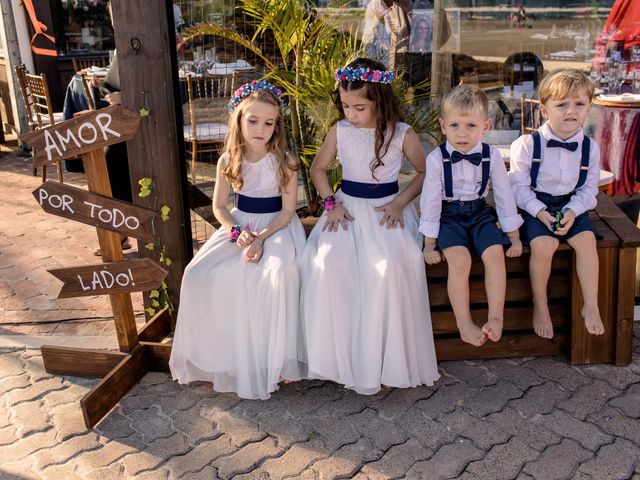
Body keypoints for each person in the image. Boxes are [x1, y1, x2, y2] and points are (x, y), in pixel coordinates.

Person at [300, 58, 440, 395]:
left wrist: (400, 202)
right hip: (346, 210)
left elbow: (424, 173)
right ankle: (337, 357)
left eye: (359, 107)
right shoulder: (340, 131)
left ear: (380, 99)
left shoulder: (401, 133)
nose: (351, 113)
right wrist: (329, 204)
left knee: (391, 267)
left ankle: (381, 358)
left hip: (385, 211)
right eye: (346, 106)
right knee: (327, 263)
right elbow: (318, 170)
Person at [169, 81, 306, 399]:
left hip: (277, 228)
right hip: (239, 225)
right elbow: (219, 206)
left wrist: (262, 238)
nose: (261, 129)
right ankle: (226, 355)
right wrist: (238, 232)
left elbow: (287, 212)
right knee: (199, 273)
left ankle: (277, 360)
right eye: (253, 120)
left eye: (269, 123)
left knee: (278, 273)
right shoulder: (228, 160)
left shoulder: (285, 161)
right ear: (239, 120)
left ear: (277, 125)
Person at [420, 85, 523, 347]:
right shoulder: (435, 159)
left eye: (470, 126)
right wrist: (429, 243)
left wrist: (514, 236)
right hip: (449, 217)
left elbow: (503, 195)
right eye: (454, 125)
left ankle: (496, 317)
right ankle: (464, 323)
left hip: (479, 214)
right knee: (460, 259)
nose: (462, 133)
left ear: (485, 126)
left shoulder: (493, 156)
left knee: (495, 254)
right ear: (443, 126)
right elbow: (430, 201)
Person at [509, 68, 605, 339]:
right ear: (544, 110)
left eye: (579, 104)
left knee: (587, 243)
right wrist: (540, 213)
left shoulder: (590, 148)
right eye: (561, 104)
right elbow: (518, 188)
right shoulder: (527, 144)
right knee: (544, 245)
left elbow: (589, 189)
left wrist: (573, 212)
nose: (570, 111)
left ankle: (591, 305)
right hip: (534, 205)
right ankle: (540, 304)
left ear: (588, 109)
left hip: (571, 205)